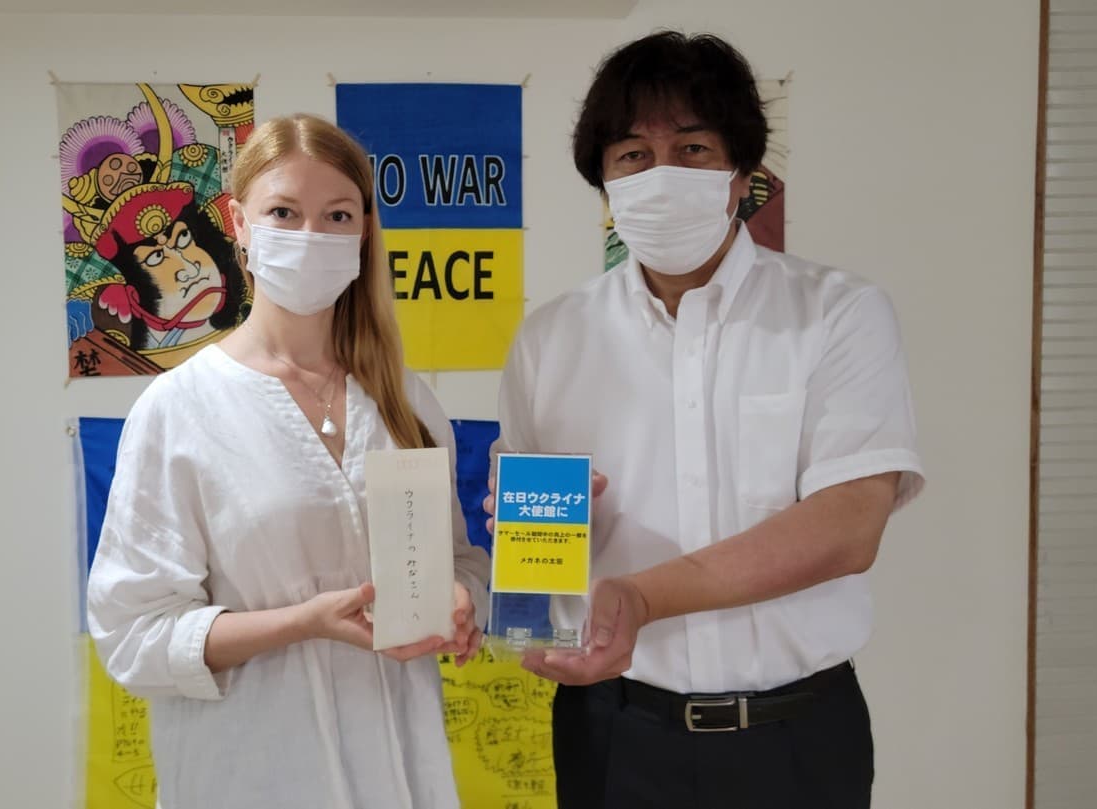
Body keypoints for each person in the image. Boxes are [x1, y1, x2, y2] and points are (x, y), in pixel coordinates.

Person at [487, 31, 926, 808]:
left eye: (692, 148)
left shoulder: (838, 313)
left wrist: (642, 594)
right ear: (605, 183)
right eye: (633, 154)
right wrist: (533, 548)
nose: (661, 174)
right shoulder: (550, 338)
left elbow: (850, 525)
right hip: (612, 735)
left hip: (798, 737)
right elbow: (533, 551)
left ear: (741, 177)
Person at [87, 113, 490, 809]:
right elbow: (133, 636)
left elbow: (458, 560)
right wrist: (304, 622)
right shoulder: (179, 410)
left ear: (364, 230)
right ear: (239, 223)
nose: (311, 235)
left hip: (401, 775)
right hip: (251, 776)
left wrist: (460, 599)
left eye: (337, 214)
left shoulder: (404, 400)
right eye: (284, 212)